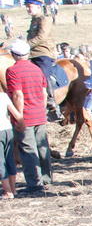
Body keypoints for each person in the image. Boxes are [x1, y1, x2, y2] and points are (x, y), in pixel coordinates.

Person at [6, 40, 52, 193]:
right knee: (42, 146)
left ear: (13, 54)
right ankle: (46, 178)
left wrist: (19, 117)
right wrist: (42, 109)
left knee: (28, 149)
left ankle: (34, 183)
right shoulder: (37, 69)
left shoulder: (12, 71)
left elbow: (18, 95)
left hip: (25, 115)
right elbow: (44, 93)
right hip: (39, 113)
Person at [24, 0, 58, 119]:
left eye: (30, 6)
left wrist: (25, 45)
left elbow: (41, 37)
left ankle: (51, 101)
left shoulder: (45, 19)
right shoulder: (33, 20)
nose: (28, 9)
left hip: (43, 53)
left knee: (44, 73)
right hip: (30, 54)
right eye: (27, 6)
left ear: (38, 7)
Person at [0, 89, 23, 198]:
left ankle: (7, 191)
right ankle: (13, 190)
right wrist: (22, 125)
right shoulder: (4, 96)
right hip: (8, 131)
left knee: (0, 162)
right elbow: (17, 115)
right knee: (10, 159)